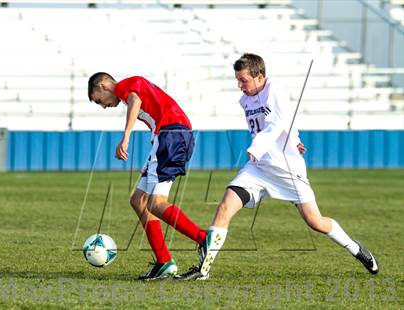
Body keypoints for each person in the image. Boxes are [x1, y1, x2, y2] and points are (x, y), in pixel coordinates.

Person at [177, 53, 379, 280]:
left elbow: (277, 123)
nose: (240, 86)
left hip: (286, 170)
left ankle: (356, 249)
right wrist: (293, 139)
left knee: (316, 222)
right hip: (259, 168)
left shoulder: (275, 91)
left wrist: (263, 146)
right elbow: (281, 124)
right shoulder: (245, 100)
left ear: (259, 76)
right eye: (238, 80)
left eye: (243, 80)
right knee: (225, 206)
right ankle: (203, 270)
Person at [88, 73, 207, 280]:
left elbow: (135, 99)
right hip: (168, 136)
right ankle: (164, 262)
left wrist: (125, 136)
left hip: (171, 134)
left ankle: (205, 239)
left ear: (103, 85)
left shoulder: (125, 86)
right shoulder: (131, 88)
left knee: (156, 203)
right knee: (139, 200)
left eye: (99, 100)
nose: (103, 106)